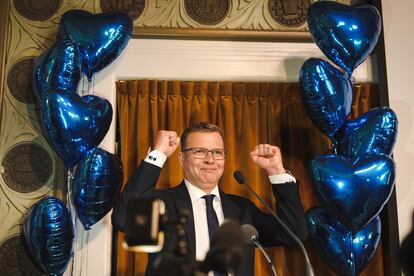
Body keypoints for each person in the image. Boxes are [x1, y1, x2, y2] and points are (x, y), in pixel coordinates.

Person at [112, 122, 308, 275]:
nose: (210, 159)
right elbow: (123, 219)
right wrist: (158, 153)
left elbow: (294, 232)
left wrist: (276, 170)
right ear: (181, 159)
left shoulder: (242, 209)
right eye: (199, 151)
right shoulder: (163, 203)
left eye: (217, 152)